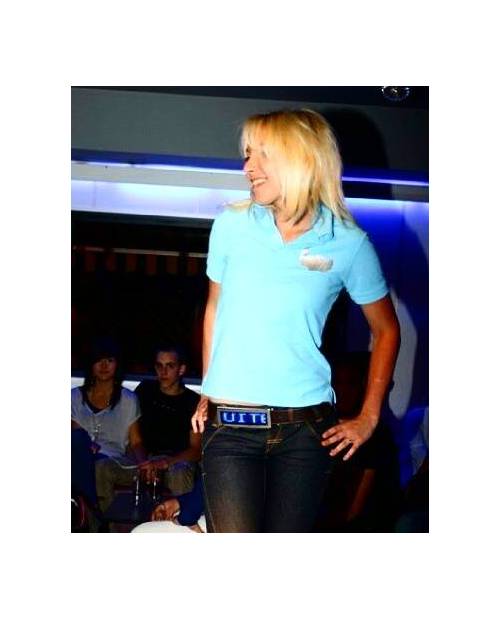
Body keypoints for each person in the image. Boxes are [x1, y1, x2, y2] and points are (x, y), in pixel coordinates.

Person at [191, 108, 401, 533]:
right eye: (247, 155)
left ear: (300, 158)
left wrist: (369, 416)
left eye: (261, 155)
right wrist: (209, 388)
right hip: (230, 427)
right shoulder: (230, 225)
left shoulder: (348, 243)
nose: (247, 167)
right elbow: (215, 309)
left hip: (305, 431)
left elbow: (386, 330)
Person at [71, 338, 147, 516]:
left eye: (109, 360)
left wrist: (145, 465)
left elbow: (136, 442)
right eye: (99, 360)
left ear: (117, 364)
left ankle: (94, 517)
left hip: (113, 462)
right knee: (78, 444)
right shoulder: (74, 397)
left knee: (100, 465)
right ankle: (88, 514)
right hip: (80, 458)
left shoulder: (128, 399)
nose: (104, 365)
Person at [135, 343, 201, 495]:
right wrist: (145, 462)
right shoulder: (145, 391)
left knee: (179, 472)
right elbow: (134, 437)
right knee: (105, 467)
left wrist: (166, 462)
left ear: (181, 369)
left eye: (170, 366)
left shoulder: (192, 401)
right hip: (145, 457)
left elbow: (196, 449)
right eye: (159, 366)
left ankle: (179, 511)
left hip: (177, 461)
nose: (163, 372)